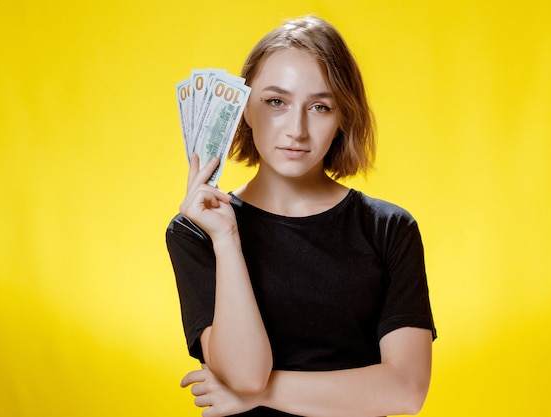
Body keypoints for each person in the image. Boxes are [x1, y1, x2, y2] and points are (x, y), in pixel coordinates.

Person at [166, 15, 437, 417]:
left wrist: (261, 396)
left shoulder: (389, 229)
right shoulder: (197, 232)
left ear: (342, 117)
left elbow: (405, 391)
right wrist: (226, 240)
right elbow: (245, 375)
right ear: (244, 109)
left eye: (320, 106)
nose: (297, 129)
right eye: (276, 102)